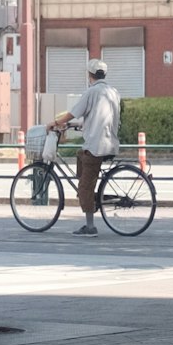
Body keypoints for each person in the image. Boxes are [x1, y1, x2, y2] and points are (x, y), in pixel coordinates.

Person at [47, 58, 121, 236]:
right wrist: (79, 125)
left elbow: (73, 113)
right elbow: (98, 116)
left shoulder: (92, 92)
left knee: (85, 187)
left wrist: (55, 123)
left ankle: (90, 226)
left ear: (90, 75)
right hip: (109, 142)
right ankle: (87, 189)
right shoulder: (113, 92)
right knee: (81, 157)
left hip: (96, 145)